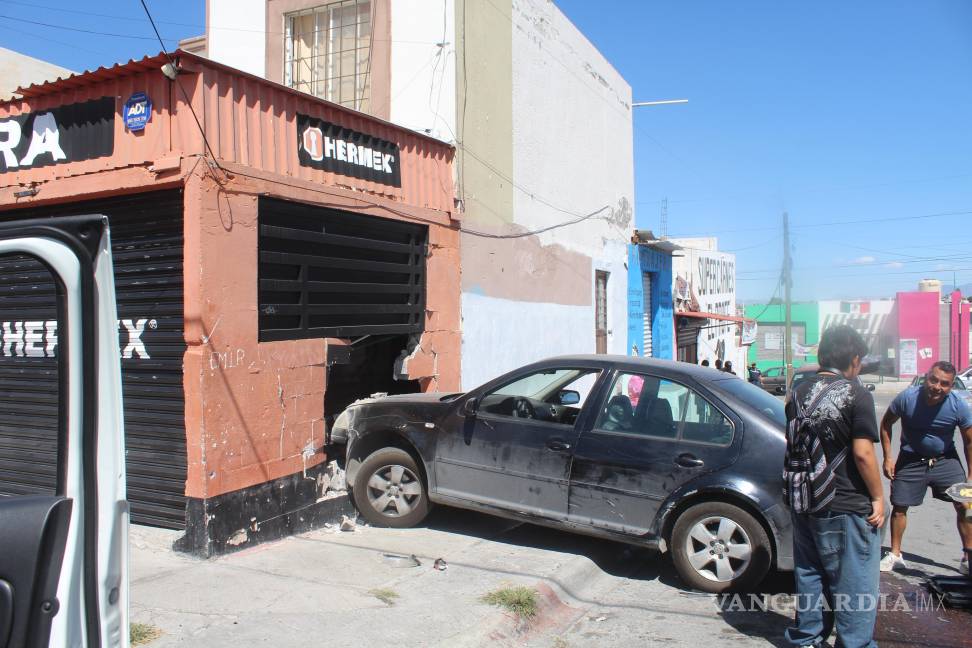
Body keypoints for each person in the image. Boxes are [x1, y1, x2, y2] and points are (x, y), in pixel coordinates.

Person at [784, 325, 884, 648]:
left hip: (806, 500)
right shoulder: (857, 394)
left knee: (810, 575)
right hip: (846, 506)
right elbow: (863, 454)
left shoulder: (797, 393)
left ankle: (806, 639)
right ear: (855, 359)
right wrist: (879, 498)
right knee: (854, 586)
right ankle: (854, 644)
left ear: (820, 355)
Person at [878, 360, 972, 575]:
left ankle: (968, 556)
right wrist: (887, 458)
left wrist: (971, 475)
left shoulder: (958, 405)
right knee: (900, 506)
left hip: (945, 459)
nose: (937, 387)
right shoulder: (907, 398)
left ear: (951, 386)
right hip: (911, 458)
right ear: (926, 378)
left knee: (967, 504)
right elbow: (885, 424)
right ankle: (895, 554)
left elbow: (969, 442)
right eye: (934, 380)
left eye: (945, 384)